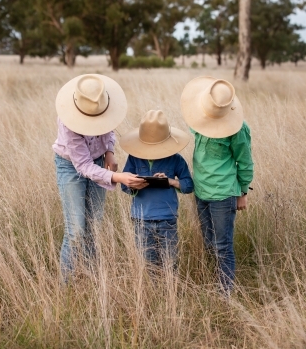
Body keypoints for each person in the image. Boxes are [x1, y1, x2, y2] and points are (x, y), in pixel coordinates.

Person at [53, 73, 147, 280]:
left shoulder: (104, 104)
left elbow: (108, 130)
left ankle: (92, 280)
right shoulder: (68, 122)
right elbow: (83, 166)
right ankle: (65, 286)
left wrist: (109, 152)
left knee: (94, 225)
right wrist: (119, 177)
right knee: (76, 229)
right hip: (71, 166)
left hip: (98, 161)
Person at [180, 76, 254, 294]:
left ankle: (224, 293)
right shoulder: (197, 116)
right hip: (201, 190)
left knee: (223, 246)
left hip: (224, 193)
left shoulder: (238, 128)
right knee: (209, 242)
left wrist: (242, 192)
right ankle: (213, 282)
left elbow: (245, 161)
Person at [119, 109, 193, 270]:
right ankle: (154, 293)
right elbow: (124, 184)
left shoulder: (175, 159)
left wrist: (171, 182)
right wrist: (134, 184)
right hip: (141, 219)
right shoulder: (134, 157)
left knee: (170, 263)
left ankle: (170, 293)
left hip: (167, 219)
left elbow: (189, 186)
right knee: (148, 265)